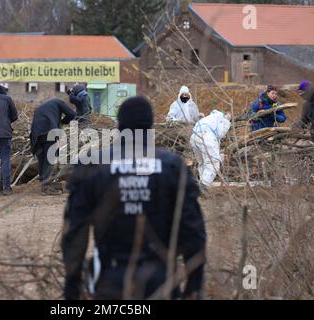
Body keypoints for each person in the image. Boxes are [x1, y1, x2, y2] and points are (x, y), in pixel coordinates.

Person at [62, 96, 207, 300]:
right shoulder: (173, 166)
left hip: (110, 279)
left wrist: (72, 288)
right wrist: (194, 289)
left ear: (119, 126)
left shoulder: (92, 165)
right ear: (150, 128)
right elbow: (194, 233)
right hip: (161, 279)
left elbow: (75, 233)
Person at [30, 99, 76, 196]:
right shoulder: (58, 102)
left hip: (36, 134)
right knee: (49, 159)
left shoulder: (42, 107)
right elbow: (72, 114)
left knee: (42, 159)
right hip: (49, 131)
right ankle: (46, 187)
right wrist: (62, 122)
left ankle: (43, 185)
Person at [294, 81, 314, 193]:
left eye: (302, 93)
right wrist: (297, 126)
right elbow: (304, 121)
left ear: (308, 90)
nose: (301, 96)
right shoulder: (306, 105)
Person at [190, 110, 232, 190]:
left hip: (194, 138)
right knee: (213, 163)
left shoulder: (208, 118)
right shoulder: (219, 117)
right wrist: (227, 121)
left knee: (202, 162)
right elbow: (221, 134)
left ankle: (202, 184)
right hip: (207, 137)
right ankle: (203, 186)